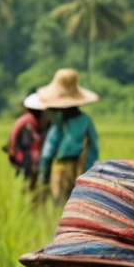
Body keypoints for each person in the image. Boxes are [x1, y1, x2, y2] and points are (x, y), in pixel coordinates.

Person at [34, 68, 100, 205]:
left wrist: (43, 175)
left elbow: (48, 151)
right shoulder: (85, 120)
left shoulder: (60, 123)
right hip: (81, 167)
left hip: (60, 167)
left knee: (61, 206)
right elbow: (93, 147)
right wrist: (88, 172)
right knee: (78, 206)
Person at [4, 98, 46, 192]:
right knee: (29, 183)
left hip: (22, 156)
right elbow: (29, 142)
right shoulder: (30, 121)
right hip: (27, 158)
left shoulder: (24, 119)